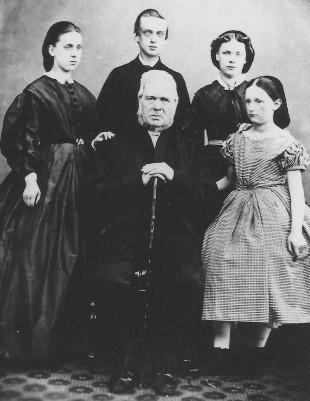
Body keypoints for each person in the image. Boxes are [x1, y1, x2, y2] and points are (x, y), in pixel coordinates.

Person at [82, 70, 217, 393]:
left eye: (166, 100)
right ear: (139, 102)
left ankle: (161, 365)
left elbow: (208, 201)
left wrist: (175, 177)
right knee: (110, 279)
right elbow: (92, 198)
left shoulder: (190, 150)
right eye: (151, 98)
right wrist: (135, 183)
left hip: (174, 240)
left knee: (185, 281)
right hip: (124, 239)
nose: (158, 106)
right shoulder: (114, 146)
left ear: (176, 105)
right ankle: (124, 364)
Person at [0, 21, 96, 360]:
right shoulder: (36, 92)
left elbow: (90, 133)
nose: (74, 54)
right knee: (36, 253)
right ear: (52, 49)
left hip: (79, 179)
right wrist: (29, 178)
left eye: (78, 48)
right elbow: (20, 138)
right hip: (46, 180)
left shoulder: (84, 94)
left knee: (77, 252)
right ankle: (31, 345)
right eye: (67, 47)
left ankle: (69, 343)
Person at [201, 76, 310, 375]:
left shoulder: (287, 144)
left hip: (274, 210)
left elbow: (296, 191)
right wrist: (199, 190)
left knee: (268, 267)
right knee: (217, 259)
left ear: (276, 104)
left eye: (259, 101)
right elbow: (229, 180)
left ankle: (255, 352)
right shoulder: (237, 139)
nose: (252, 107)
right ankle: (220, 347)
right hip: (237, 205)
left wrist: (294, 230)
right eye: (248, 100)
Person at [95, 9, 190, 143]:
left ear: (165, 40)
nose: (153, 39)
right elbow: (101, 118)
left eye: (159, 34)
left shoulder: (176, 79)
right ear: (136, 36)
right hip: (124, 153)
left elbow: (185, 125)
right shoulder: (119, 75)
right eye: (147, 33)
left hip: (165, 155)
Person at [183, 30, 255, 179]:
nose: (232, 59)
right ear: (217, 55)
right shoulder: (204, 95)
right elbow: (190, 138)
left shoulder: (256, 92)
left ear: (246, 58)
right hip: (212, 165)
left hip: (251, 162)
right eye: (226, 53)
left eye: (238, 54)